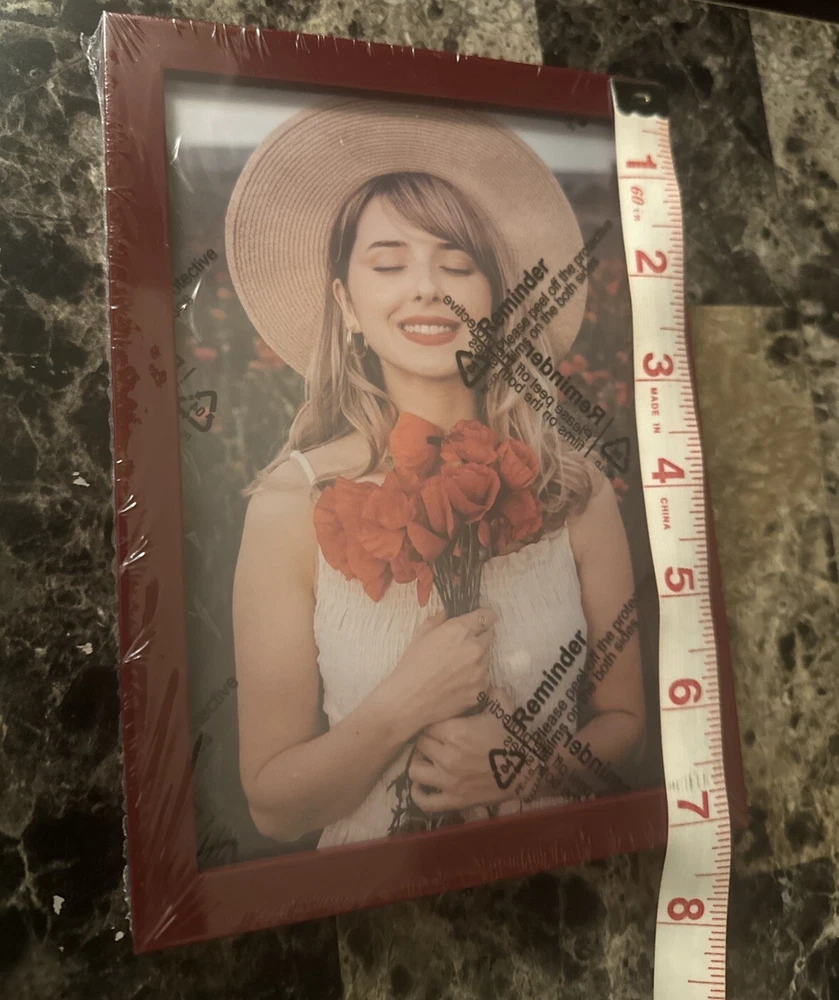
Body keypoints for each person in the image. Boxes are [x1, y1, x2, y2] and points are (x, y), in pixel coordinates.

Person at [226, 98, 645, 848]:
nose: (428, 287)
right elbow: (274, 808)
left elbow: (627, 724)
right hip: (378, 901)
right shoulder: (290, 505)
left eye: (457, 264)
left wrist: (528, 768)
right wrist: (403, 704)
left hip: (551, 883)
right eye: (389, 263)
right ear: (346, 303)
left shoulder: (573, 488)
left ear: (496, 299)